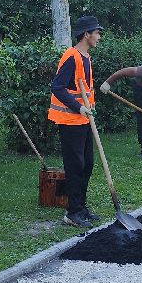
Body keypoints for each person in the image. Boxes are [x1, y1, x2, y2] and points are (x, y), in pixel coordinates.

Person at [48, 15, 103, 228]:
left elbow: (85, 89)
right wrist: (78, 107)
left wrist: (90, 107)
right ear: (86, 34)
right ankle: (72, 212)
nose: (98, 37)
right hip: (70, 120)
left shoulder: (85, 57)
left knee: (87, 164)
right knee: (75, 165)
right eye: (96, 33)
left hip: (84, 119)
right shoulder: (71, 56)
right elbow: (58, 87)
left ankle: (81, 206)